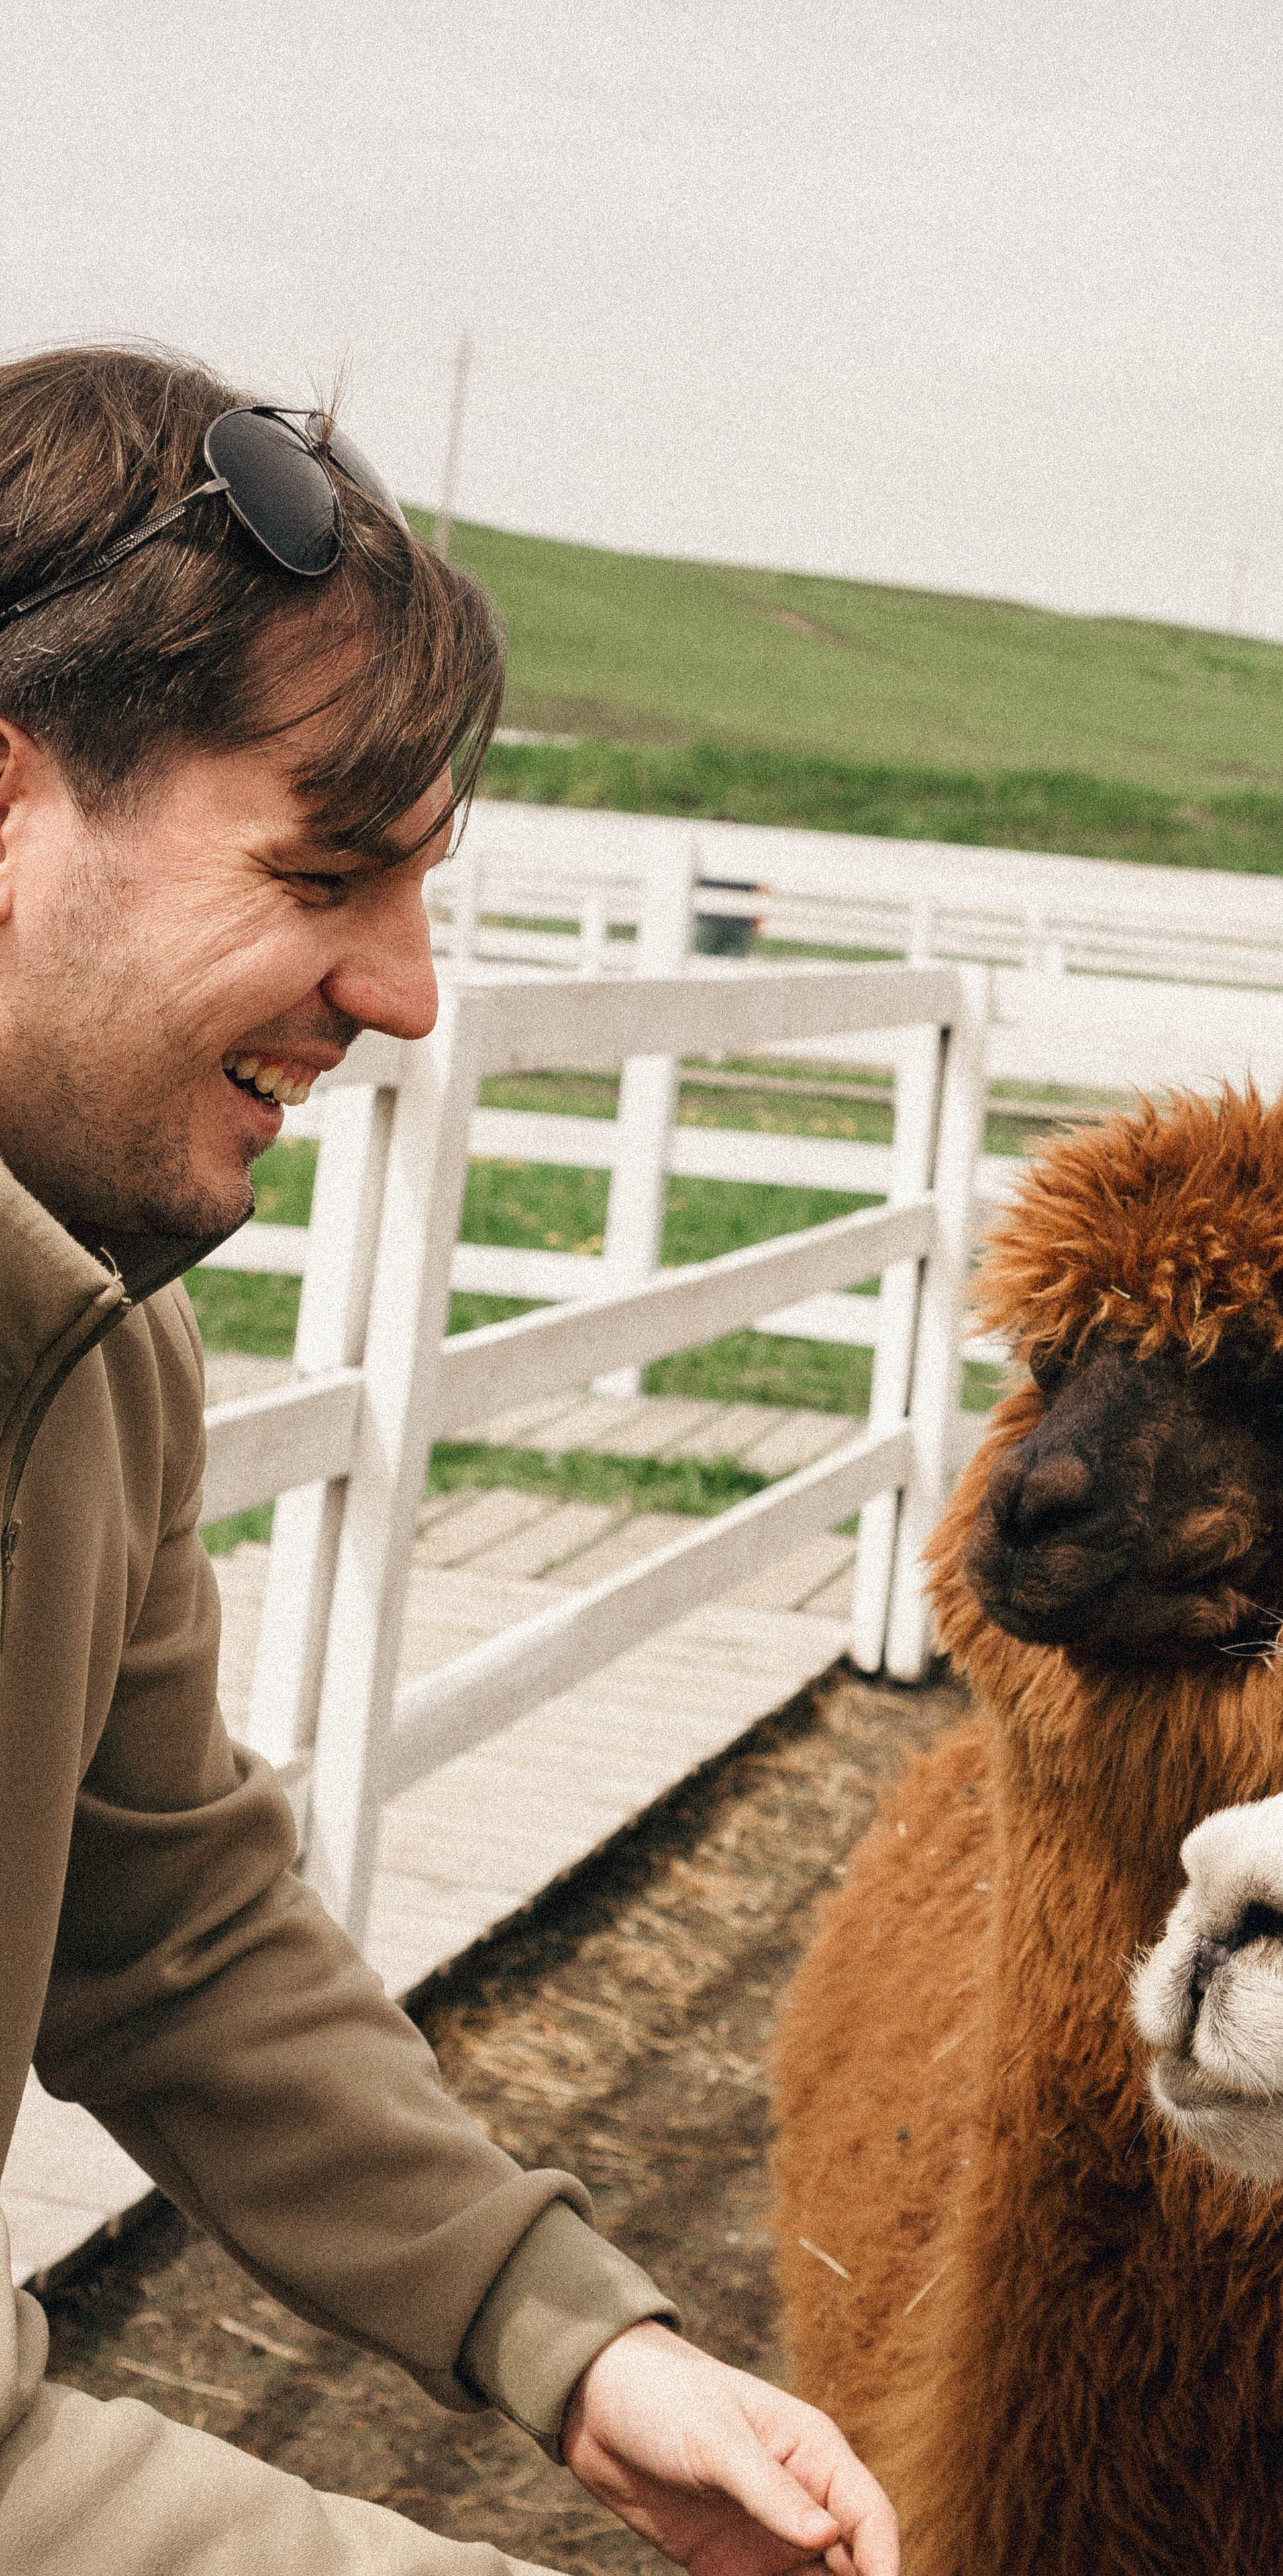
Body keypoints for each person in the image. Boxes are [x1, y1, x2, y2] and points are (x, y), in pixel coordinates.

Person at [0, 344, 896, 2576]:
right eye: (328, 871)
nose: (406, 993)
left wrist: (574, 2336)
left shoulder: (96, 1345)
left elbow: (167, 1929)